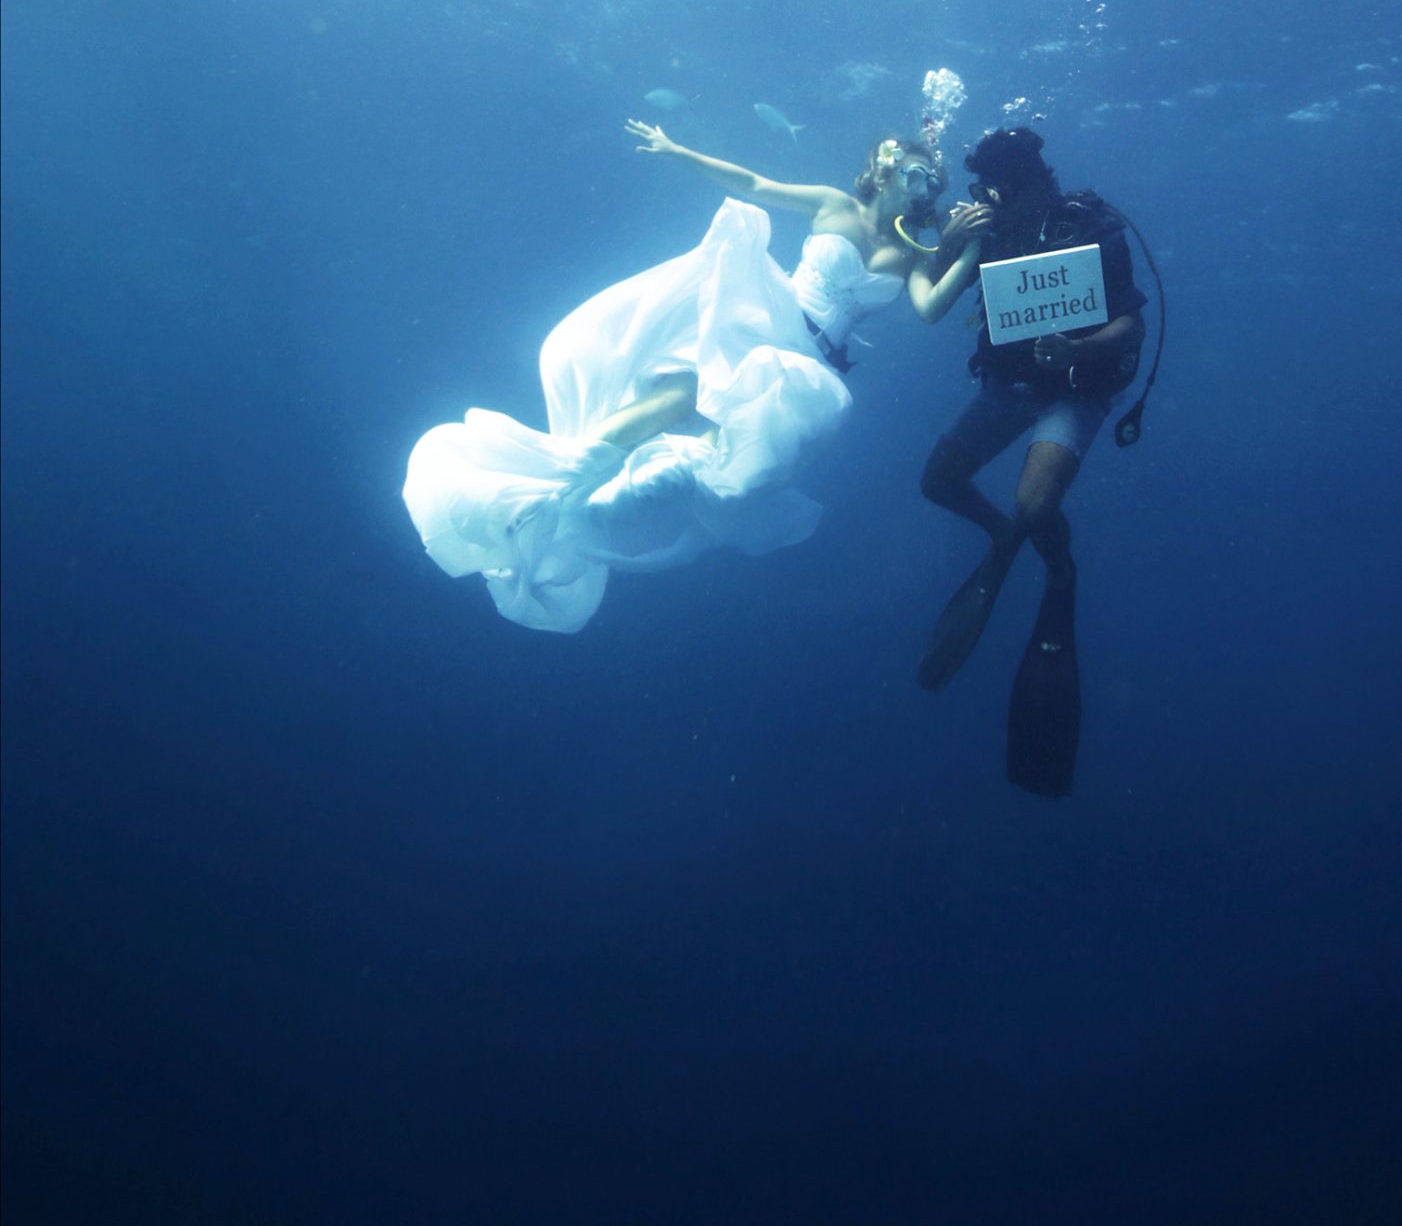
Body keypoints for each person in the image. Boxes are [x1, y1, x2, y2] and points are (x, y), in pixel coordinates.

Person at [403, 121, 981, 636]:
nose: (926, 188)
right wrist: (677, 150)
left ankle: (600, 512)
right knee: (675, 394)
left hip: (808, 362)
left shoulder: (913, 252)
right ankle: (555, 479)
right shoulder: (834, 205)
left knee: (727, 459)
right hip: (763, 312)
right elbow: (755, 186)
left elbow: (930, 310)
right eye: (916, 173)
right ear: (883, 170)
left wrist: (970, 251)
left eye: (932, 182)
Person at [915, 126, 1147, 797]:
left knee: (1035, 502)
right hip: (1009, 386)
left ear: (1034, 178)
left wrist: (1078, 352)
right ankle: (1002, 537)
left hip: (1072, 390)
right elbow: (932, 298)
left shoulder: (1089, 224)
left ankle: (1056, 566)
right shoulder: (981, 231)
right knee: (938, 481)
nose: (992, 194)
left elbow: (1131, 324)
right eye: (989, 185)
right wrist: (953, 242)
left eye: (1004, 181)